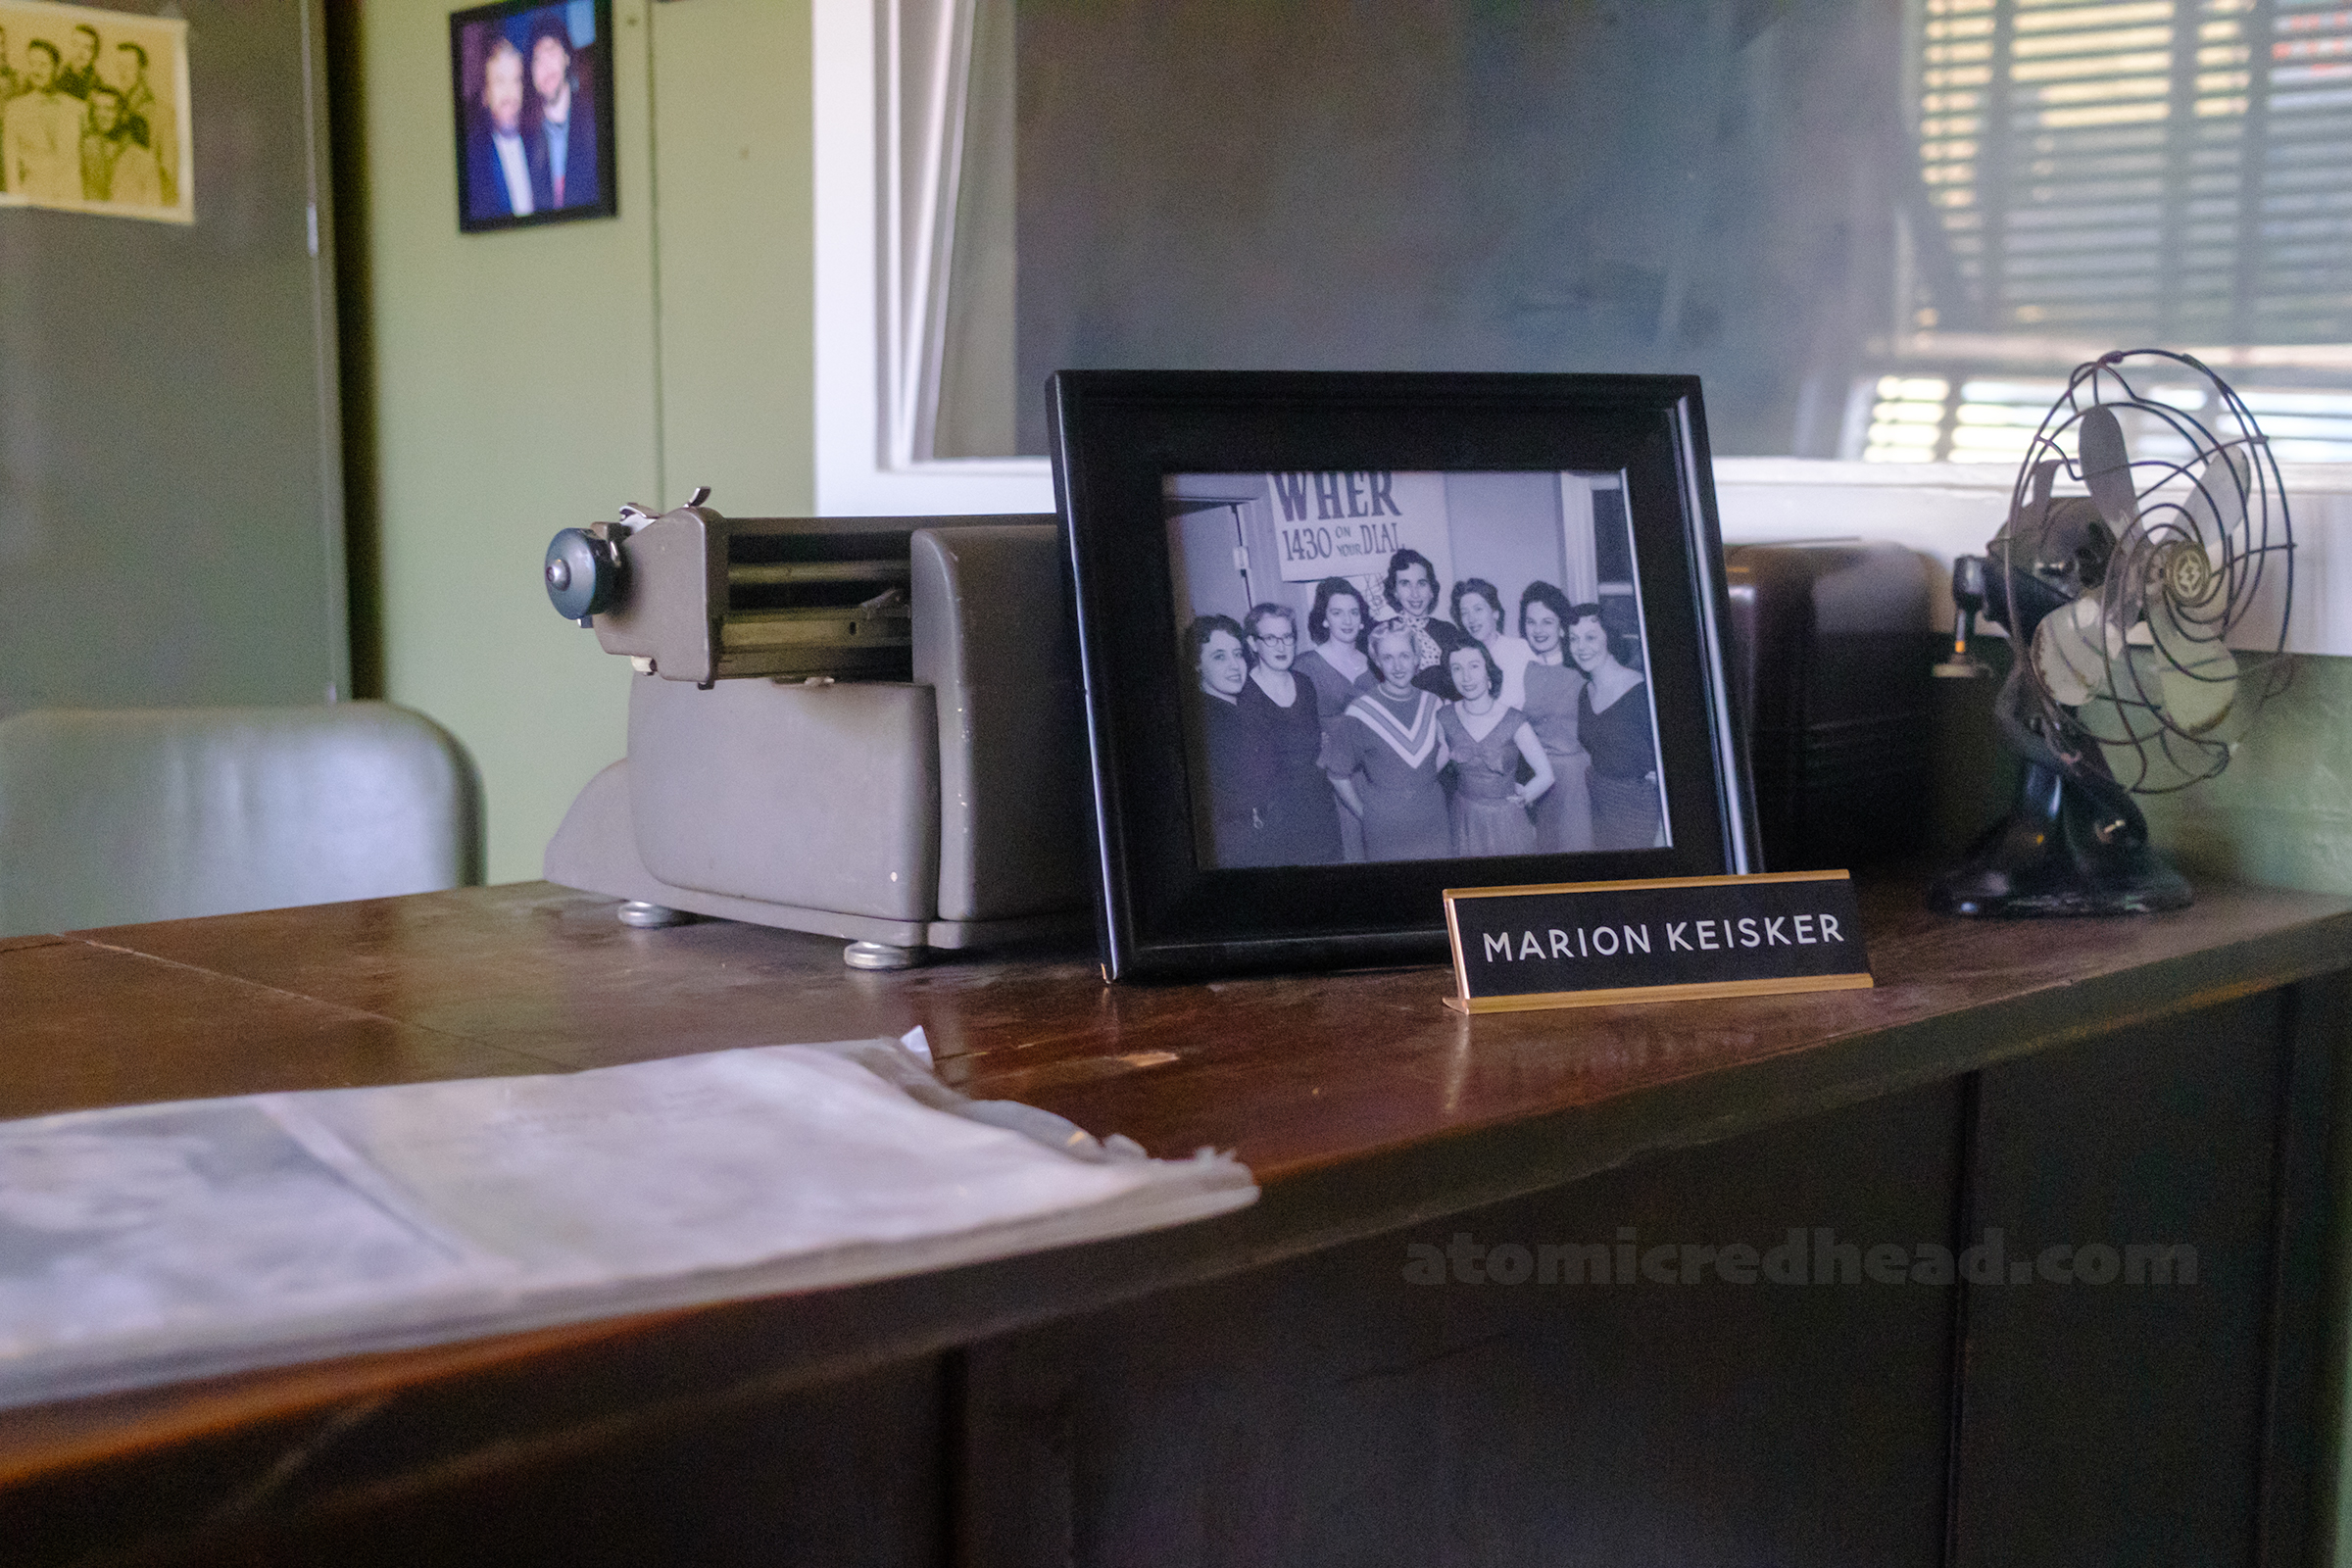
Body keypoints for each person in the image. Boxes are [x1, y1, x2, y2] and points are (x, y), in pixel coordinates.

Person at [1326, 621, 1451, 861]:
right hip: (1385, 827)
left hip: (1433, 817)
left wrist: (1421, 778)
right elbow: (1336, 773)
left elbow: (1445, 748)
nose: (1397, 666)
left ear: (1417, 657)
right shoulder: (1360, 710)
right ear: (1377, 661)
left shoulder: (1433, 702)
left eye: (1404, 655)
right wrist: (1365, 814)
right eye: (1388, 657)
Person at [1234, 604, 1342, 866]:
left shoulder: (1305, 685)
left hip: (1319, 809)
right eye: (1270, 638)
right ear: (1253, 643)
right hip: (1276, 820)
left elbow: (1319, 745)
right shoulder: (1243, 694)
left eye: (1287, 637)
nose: (1281, 646)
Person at [1437, 642, 1552, 858]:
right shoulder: (1444, 716)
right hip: (1464, 818)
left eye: (1474, 666)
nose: (1466, 677)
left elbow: (1546, 775)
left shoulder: (1514, 719)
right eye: (1457, 669)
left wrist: (1525, 797)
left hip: (1506, 820)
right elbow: (1431, 768)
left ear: (1488, 670)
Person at [1292, 578, 1376, 861]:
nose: (1347, 620)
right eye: (1337, 612)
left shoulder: (1375, 663)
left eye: (1354, 612)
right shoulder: (1305, 666)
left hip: (1374, 773)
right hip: (1331, 778)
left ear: (1363, 620)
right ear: (1324, 619)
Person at [1568, 604, 1662, 850]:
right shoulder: (1585, 692)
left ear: (1609, 638)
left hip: (1635, 806)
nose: (1581, 648)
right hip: (1599, 798)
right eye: (1574, 639)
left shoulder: (1642, 690)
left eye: (1590, 637)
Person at [1517, 582, 1594, 854]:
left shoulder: (1582, 671)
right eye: (1531, 622)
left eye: (1547, 622)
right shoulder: (1526, 669)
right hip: (1540, 779)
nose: (1538, 631)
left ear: (1562, 627)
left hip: (1576, 780)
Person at [1183, 614, 1263, 866]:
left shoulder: (1239, 711)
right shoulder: (1206, 720)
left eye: (1238, 654)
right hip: (1232, 849)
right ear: (1197, 665)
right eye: (1219, 657)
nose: (1234, 665)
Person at [525, 15, 599, 211]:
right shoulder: (527, 139)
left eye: (551, 52)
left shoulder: (595, 122)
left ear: (567, 57)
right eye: (537, 59)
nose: (545, 67)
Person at [1380, 549, 1471, 700]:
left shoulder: (1448, 631)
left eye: (1421, 583)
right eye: (1405, 584)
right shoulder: (1384, 633)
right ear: (1395, 591)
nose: (1415, 594)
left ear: (1431, 590)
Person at [465, 34, 535, 220]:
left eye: (515, 80)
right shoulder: (473, 159)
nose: (509, 93)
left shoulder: (538, 143)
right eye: (499, 81)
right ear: (485, 93)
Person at [3, 41, 82, 203]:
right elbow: (11, 168)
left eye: (43, 65)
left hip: (73, 201)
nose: (36, 71)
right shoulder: (15, 109)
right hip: (33, 200)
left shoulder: (79, 108)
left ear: (57, 68)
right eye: (32, 64)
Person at [1451, 578, 1535, 713]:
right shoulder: (1459, 658)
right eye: (1465, 613)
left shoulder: (1521, 650)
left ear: (1495, 613)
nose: (1471, 619)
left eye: (1478, 609)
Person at [55, 24, 98, 100]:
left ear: (94, 53)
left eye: (87, 47)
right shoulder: (55, 77)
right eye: (75, 45)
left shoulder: (97, 85)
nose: (80, 52)